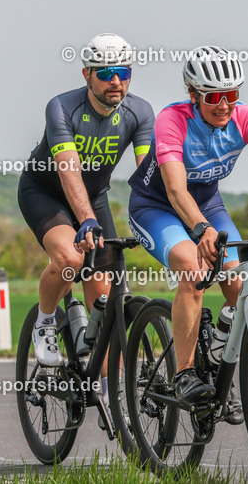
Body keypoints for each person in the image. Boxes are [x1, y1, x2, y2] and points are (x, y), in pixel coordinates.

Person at [127, 46, 248, 418]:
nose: (224, 105)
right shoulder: (172, 121)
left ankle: (218, 363)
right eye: (214, 97)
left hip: (208, 206)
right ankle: (185, 373)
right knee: (193, 268)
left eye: (232, 95)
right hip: (155, 207)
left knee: (239, 285)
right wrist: (199, 229)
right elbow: (174, 190)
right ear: (194, 95)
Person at [18, 33, 154, 389]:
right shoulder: (62, 107)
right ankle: (45, 321)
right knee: (71, 261)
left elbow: (148, 173)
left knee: (106, 296)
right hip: (46, 192)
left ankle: (108, 389)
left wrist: (160, 217)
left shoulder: (139, 112)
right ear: (86, 75)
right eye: (106, 72)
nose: (116, 81)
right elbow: (68, 169)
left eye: (123, 72)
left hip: (94, 198)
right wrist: (87, 220)